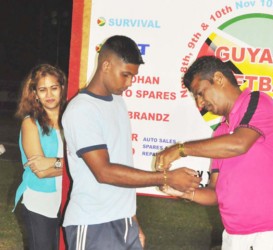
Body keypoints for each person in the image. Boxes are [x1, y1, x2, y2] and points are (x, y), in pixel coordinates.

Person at [61, 35, 201, 250]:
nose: (129, 83)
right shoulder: (81, 110)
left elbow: (122, 163)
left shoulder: (117, 102)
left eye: (133, 76)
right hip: (93, 224)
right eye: (125, 75)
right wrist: (167, 177)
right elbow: (104, 172)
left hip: (124, 222)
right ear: (106, 65)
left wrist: (132, 221)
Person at [155, 56, 273, 250]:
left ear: (218, 78)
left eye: (200, 93)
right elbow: (215, 193)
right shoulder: (220, 133)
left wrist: (180, 149)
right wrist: (185, 192)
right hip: (234, 236)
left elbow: (239, 144)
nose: (200, 103)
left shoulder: (258, 102)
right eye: (195, 97)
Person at [13, 64, 67, 250]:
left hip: (69, 199)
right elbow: (40, 171)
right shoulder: (30, 124)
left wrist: (53, 162)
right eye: (42, 90)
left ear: (62, 88)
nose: (49, 95)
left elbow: (85, 162)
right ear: (35, 93)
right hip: (39, 202)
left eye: (54, 88)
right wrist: (71, 165)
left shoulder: (73, 120)